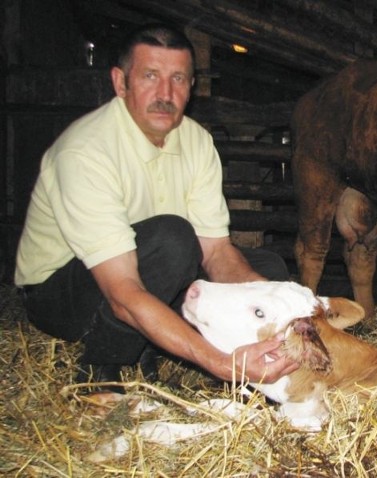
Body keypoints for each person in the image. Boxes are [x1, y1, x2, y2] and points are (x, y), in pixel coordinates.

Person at [14, 23, 298, 392]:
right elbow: (123, 291)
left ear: (191, 87)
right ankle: (101, 371)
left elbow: (216, 252)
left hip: (154, 269)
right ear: (120, 83)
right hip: (62, 293)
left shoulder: (196, 141)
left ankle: (244, 365)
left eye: (178, 79)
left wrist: (284, 316)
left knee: (267, 271)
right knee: (173, 239)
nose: (165, 93)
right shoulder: (86, 151)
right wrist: (220, 364)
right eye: (150, 76)